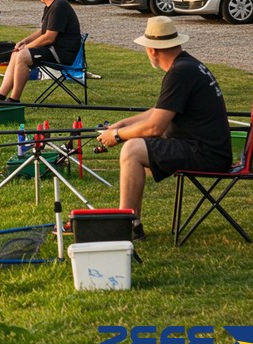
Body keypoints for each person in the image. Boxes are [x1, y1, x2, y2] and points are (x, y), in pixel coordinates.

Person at [96, 16, 232, 240]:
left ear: (152, 50)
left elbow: (155, 128)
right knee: (135, 146)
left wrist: (117, 136)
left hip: (205, 153)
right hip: (208, 149)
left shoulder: (180, 72)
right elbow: (158, 111)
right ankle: (131, 221)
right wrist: (123, 124)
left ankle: (128, 224)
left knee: (132, 150)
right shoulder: (187, 65)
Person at [0, 0, 80, 103]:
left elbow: (49, 38)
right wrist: (24, 41)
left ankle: (14, 99)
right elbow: (43, 31)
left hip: (62, 54)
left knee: (22, 55)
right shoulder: (52, 5)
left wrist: (26, 47)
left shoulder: (59, 7)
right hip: (53, 50)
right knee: (16, 53)